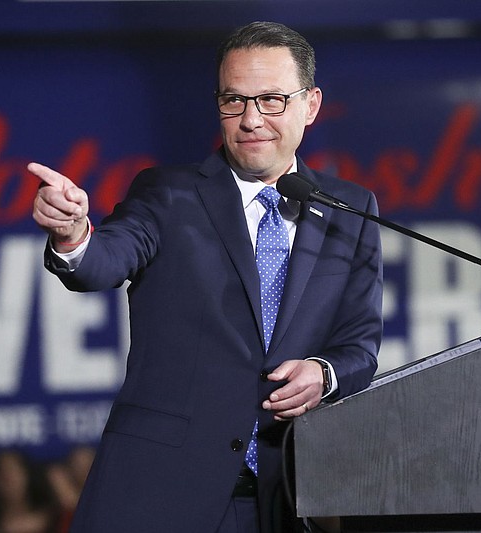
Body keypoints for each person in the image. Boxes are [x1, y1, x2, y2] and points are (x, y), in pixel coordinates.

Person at [29, 20, 383, 533]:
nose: (250, 119)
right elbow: (106, 257)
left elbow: (360, 345)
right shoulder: (167, 194)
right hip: (161, 495)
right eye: (233, 100)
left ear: (311, 105)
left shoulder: (351, 208)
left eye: (271, 100)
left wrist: (324, 373)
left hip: (285, 497)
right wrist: (75, 234)